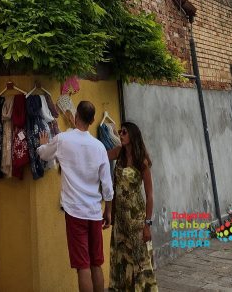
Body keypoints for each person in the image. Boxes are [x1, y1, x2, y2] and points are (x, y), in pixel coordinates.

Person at [38, 100, 113, 292]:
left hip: (75, 212)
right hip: (95, 212)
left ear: (76, 116)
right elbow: (107, 186)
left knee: (83, 266)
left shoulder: (63, 139)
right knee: (96, 263)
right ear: (93, 120)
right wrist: (108, 212)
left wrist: (42, 145)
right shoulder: (99, 147)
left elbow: (44, 155)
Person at [108, 121, 158, 291]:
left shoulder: (141, 161)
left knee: (139, 260)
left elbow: (150, 195)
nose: (120, 135)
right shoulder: (118, 153)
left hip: (136, 218)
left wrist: (147, 224)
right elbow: (99, 156)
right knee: (121, 261)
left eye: (123, 132)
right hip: (120, 219)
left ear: (133, 136)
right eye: (120, 132)